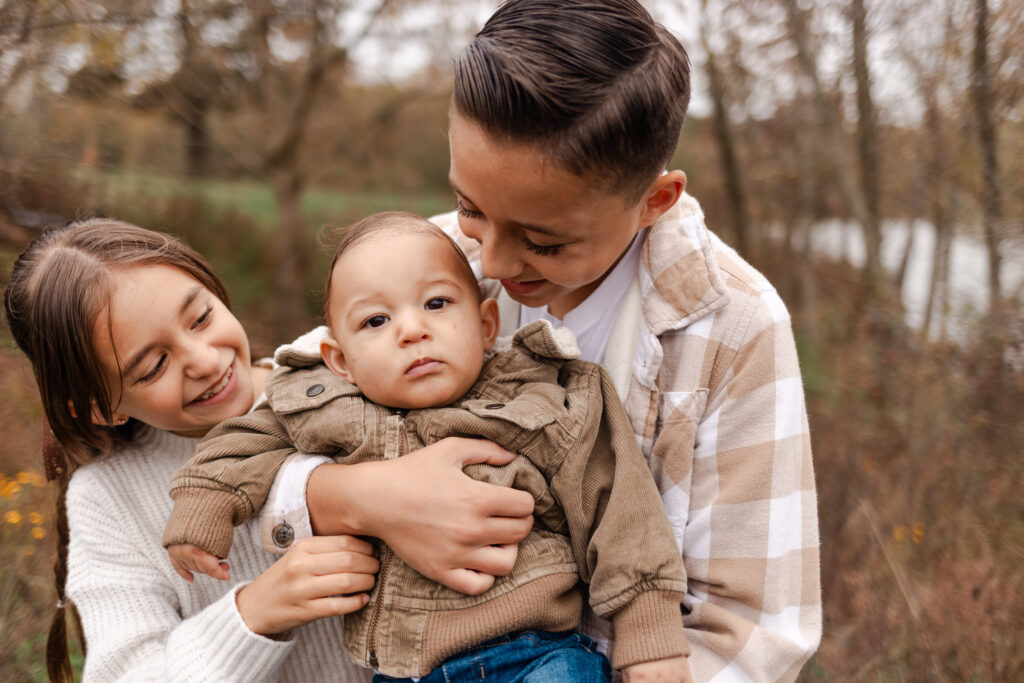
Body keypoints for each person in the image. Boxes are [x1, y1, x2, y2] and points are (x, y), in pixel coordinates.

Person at [264, 1, 822, 681]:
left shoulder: (736, 328)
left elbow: (751, 630)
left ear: (656, 200)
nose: (490, 264)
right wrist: (356, 495)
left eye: (544, 241)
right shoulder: (427, 263)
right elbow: (276, 405)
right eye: (470, 205)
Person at [163, 212, 690, 682]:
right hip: (403, 669)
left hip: (535, 655)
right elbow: (242, 444)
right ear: (339, 359)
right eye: (376, 321)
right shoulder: (318, 403)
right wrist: (205, 503)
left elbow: (619, 508)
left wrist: (649, 638)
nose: (412, 330)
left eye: (437, 304)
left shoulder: (545, 397)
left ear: (486, 326)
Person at [3, 219, 533, 682]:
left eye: (200, 317)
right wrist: (256, 612)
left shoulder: (353, 368)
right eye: (153, 366)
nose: (205, 360)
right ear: (100, 407)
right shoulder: (108, 499)